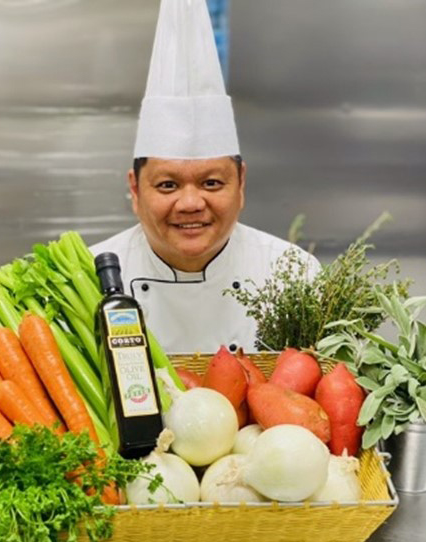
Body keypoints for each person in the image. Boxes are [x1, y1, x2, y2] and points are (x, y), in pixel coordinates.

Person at [91, 0, 320, 354]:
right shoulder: (88, 275)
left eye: (211, 183)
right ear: (134, 189)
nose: (191, 203)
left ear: (241, 183)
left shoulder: (293, 274)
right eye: (168, 185)